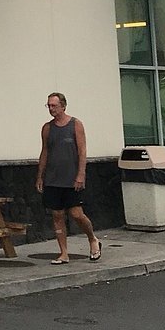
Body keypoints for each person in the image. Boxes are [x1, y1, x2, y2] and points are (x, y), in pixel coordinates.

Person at [37, 91, 101, 265]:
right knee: (57, 214)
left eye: (54, 105)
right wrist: (40, 176)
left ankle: (92, 238)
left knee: (76, 214)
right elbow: (45, 152)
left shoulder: (75, 125)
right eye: (48, 105)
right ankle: (63, 253)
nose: (51, 109)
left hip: (71, 178)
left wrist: (81, 174)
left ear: (63, 106)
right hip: (52, 178)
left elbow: (82, 151)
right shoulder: (47, 128)